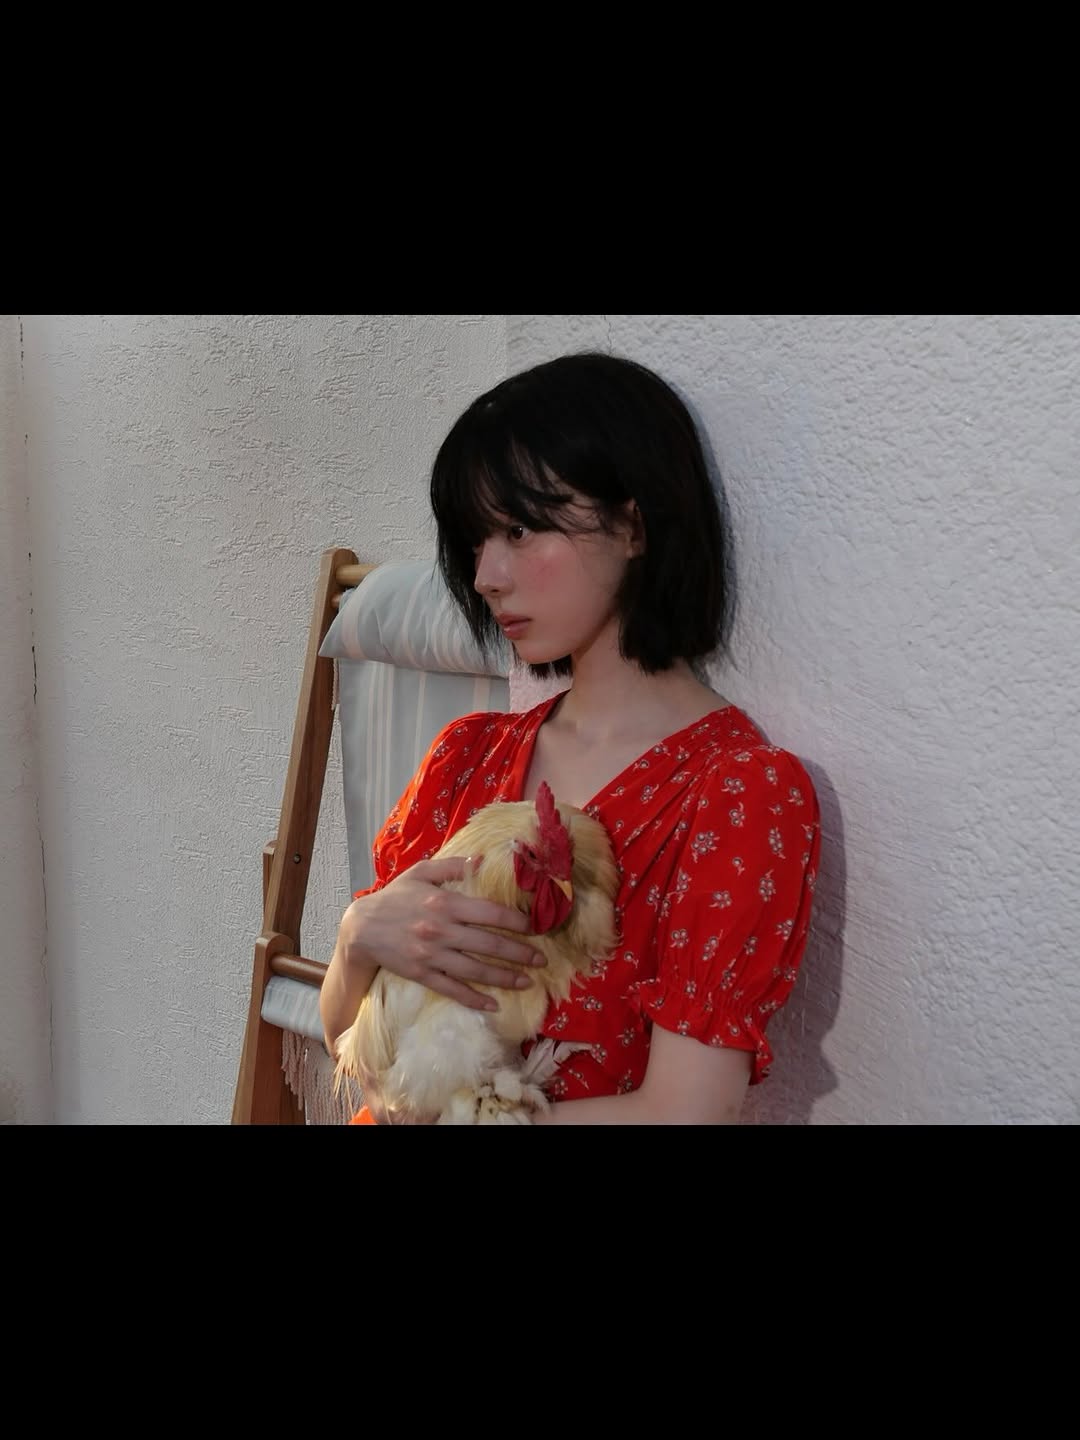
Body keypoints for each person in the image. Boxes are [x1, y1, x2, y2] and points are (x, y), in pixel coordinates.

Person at [319, 352, 821, 1124]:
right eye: (476, 540)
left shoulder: (737, 794)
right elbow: (359, 1052)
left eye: (520, 529)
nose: (486, 575)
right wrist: (356, 939)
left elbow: (686, 1112)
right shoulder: (467, 756)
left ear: (635, 525)